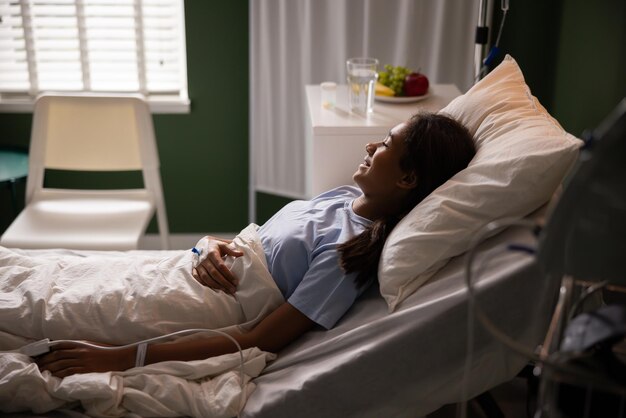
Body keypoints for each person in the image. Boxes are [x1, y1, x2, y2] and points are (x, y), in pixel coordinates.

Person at [36, 112, 476, 378]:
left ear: (407, 178)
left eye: (387, 143)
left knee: (46, 307)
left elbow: (260, 338)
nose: (370, 143)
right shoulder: (342, 198)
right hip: (188, 273)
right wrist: (206, 246)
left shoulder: (350, 253)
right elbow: (255, 246)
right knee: (48, 283)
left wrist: (122, 359)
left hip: (204, 307)